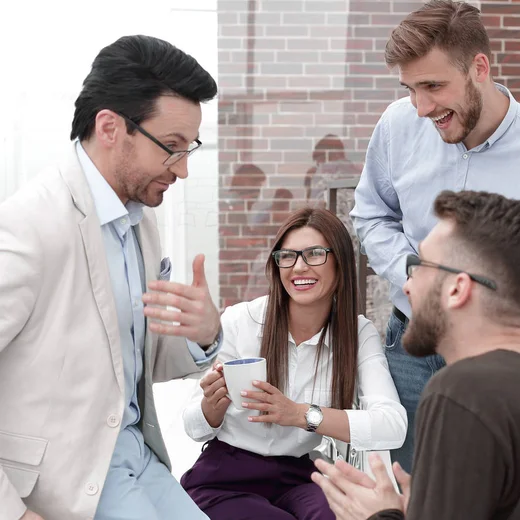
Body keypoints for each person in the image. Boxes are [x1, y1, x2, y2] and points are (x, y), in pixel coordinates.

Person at [350, 0, 520, 473]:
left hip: (501, 357)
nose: (421, 108)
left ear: (479, 68)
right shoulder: (397, 124)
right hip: (411, 343)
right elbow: (372, 215)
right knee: (408, 484)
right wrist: (413, 270)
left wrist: (492, 323)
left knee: (490, 487)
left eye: (433, 86)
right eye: (410, 89)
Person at [0, 35, 222, 520]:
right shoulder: (28, 226)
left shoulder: (141, 221)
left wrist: (204, 333)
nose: (182, 170)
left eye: (191, 149)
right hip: (65, 479)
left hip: (136, 458)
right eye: (172, 148)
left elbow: (137, 360)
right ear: (109, 127)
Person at [314, 190, 520, 520]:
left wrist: (380, 516)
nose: (406, 286)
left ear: (457, 288)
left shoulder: (462, 389)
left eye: (418, 265)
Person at [179, 207, 408, 520]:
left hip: (298, 474)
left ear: (339, 263)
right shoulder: (241, 321)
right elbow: (193, 426)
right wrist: (211, 409)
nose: (299, 267)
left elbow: (392, 426)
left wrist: (301, 414)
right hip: (226, 477)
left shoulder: (356, 334)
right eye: (287, 256)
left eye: (314, 254)